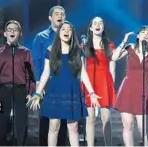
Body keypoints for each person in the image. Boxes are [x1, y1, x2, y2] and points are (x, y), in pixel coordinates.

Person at [27, 21, 101, 146]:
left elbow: (83, 73)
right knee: (54, 126)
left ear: (72, 33)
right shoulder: (50, 51)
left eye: (69, 30)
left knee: (73, 127)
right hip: (55, 91)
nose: (66, 31)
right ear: (59, 33)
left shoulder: (78, 51)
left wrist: (92, 92)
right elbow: (46, 73)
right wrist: (38, 93)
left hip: (72, 91)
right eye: (63, 29)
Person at [31, 5, 67, 146]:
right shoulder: (41, 37)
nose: (60, 16)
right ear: (50, 18)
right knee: (46, 119)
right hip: (47, 83)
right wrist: (39, 83)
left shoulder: (68, 37)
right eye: (57, 14)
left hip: (64, 83)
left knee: (64, 120)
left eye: (62, 14)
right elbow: (37, 61)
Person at [80, 16, 116, 146]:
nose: (97, 25)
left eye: (100, 22)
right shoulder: (84, 45)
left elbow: (112, 67)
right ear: (90, 27)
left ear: (103, 27)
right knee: (90, 118)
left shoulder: (110, 45)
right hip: (89, 82)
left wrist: (111, 86)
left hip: (105, 82)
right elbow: (82, 67)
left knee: (106, 118)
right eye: (94, 23)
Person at [0, 20, 36, 145]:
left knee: (21, 121)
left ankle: (20, 144)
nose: (12, 31)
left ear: (20, 33)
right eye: (9, 29)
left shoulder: (25, 52)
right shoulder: (0, 52)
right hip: (3, 89)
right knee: (2, 120)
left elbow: (30, 74)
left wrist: (31, 91)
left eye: (15, 29)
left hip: (21, 90)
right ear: (5, 34)